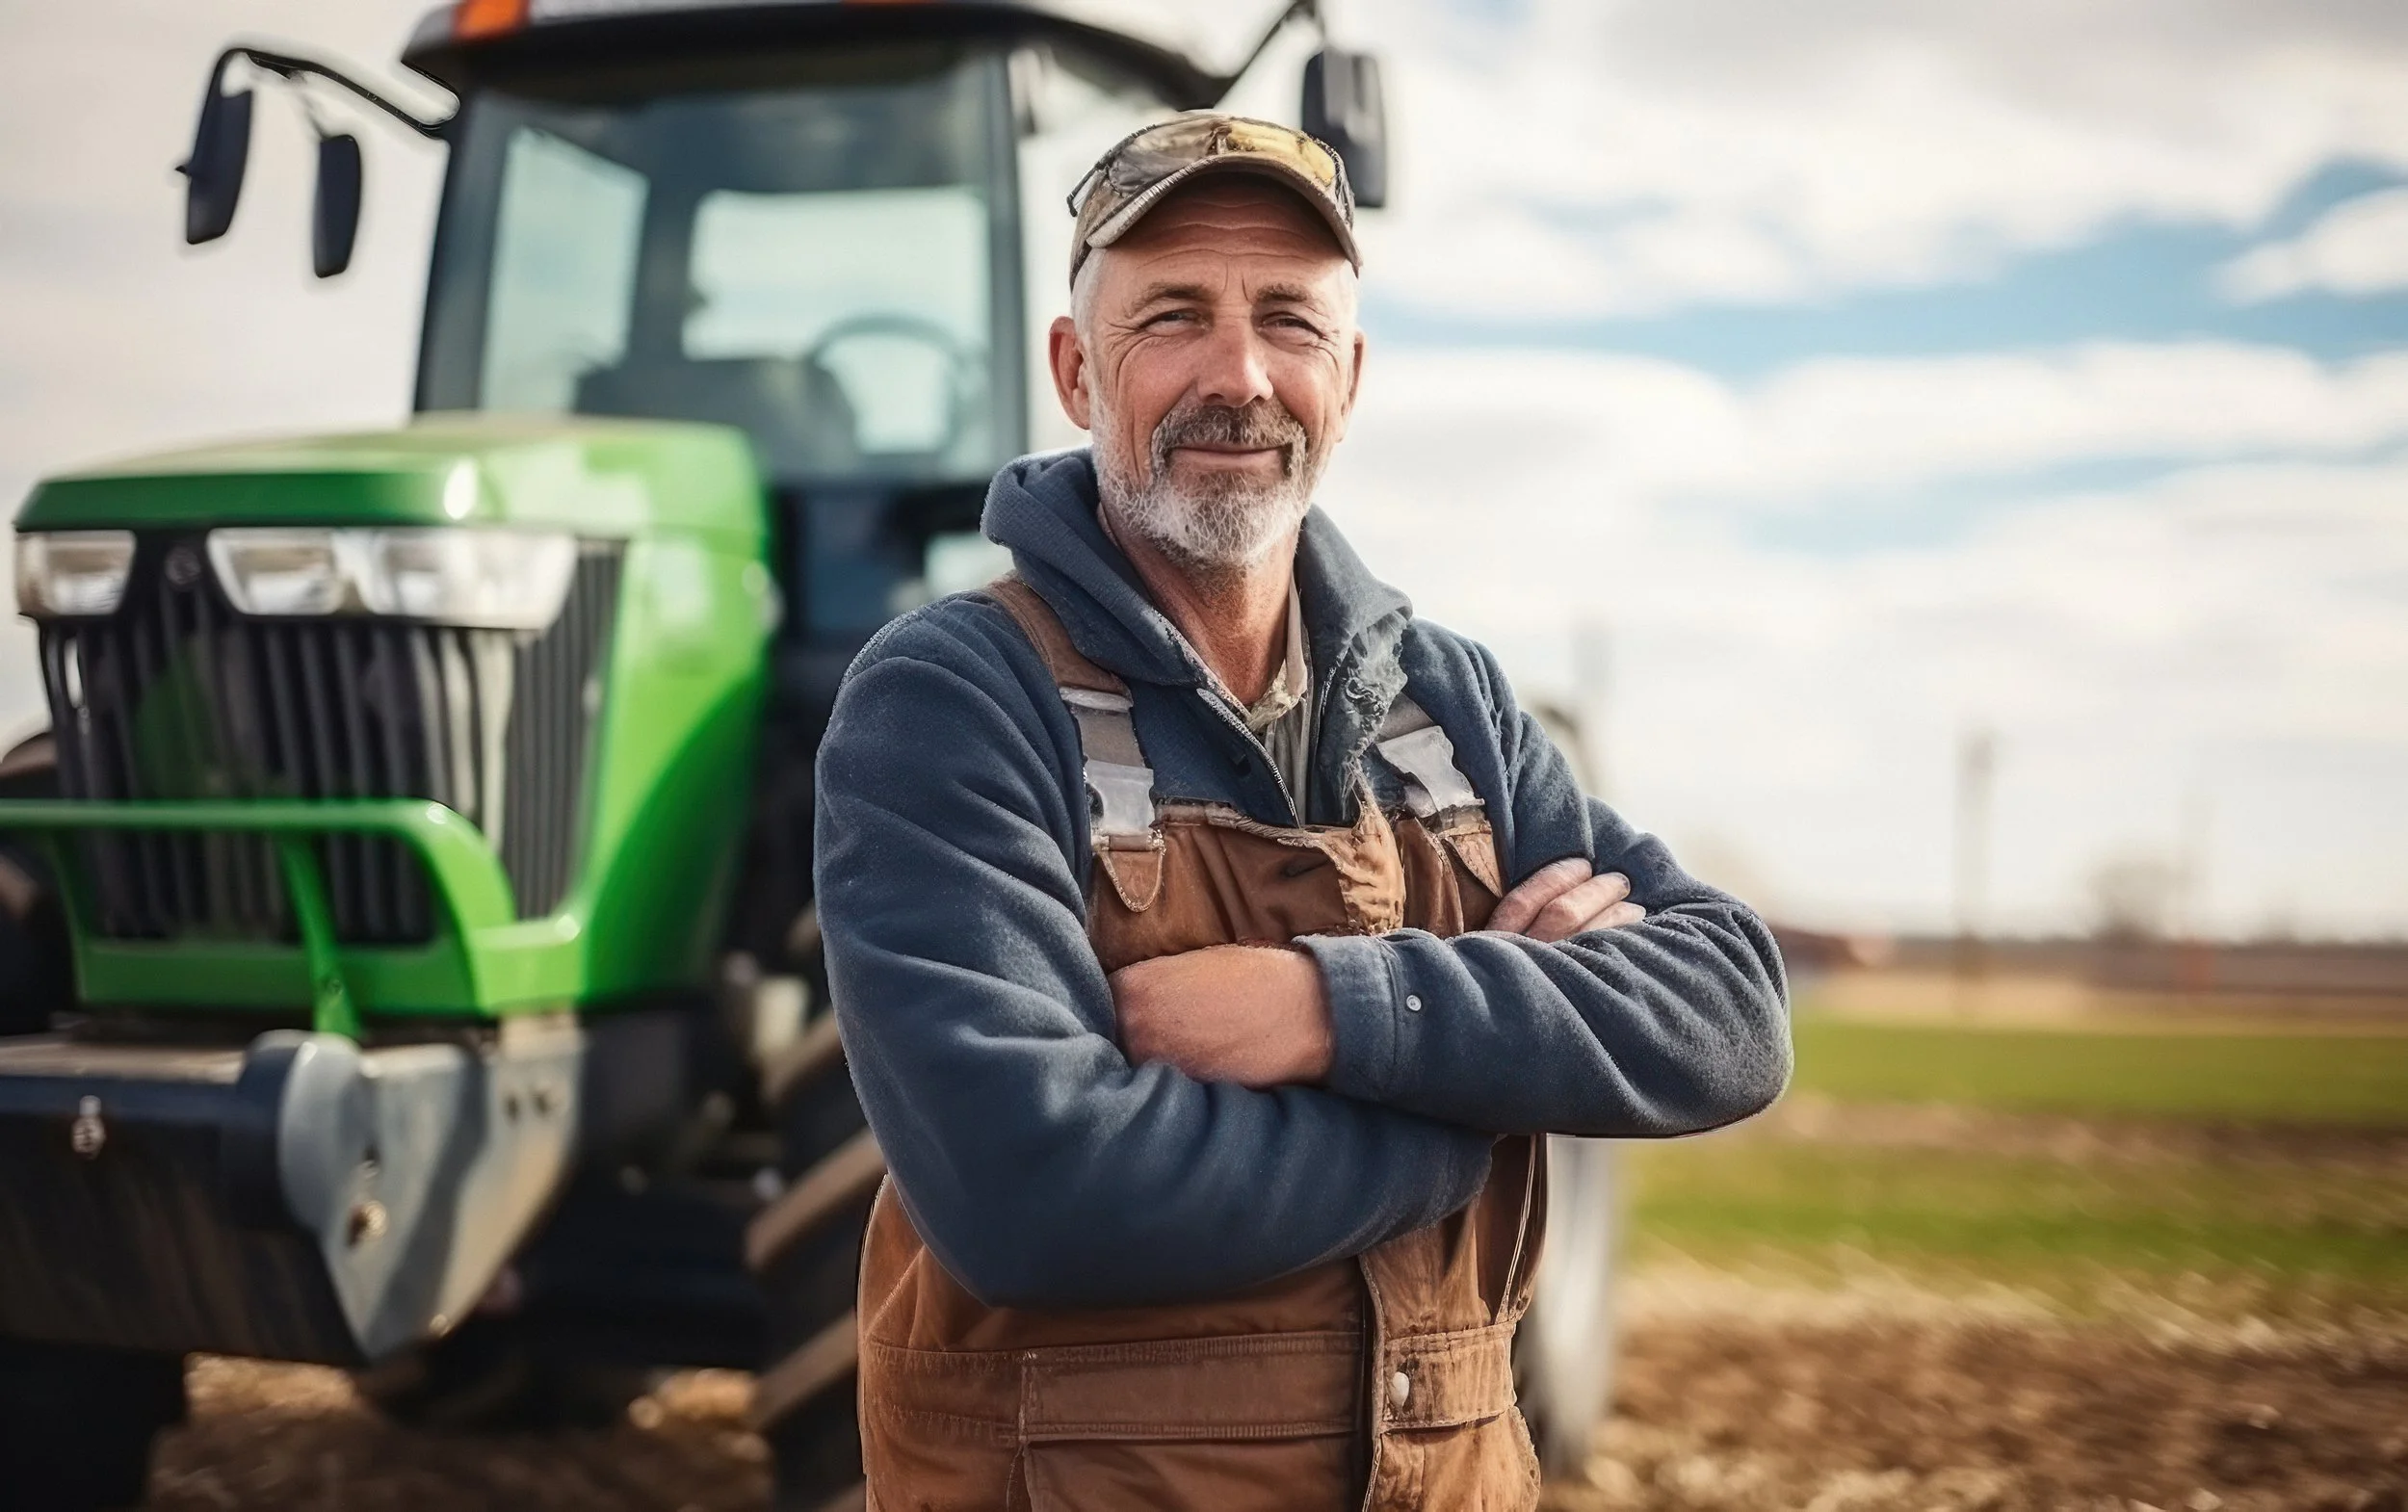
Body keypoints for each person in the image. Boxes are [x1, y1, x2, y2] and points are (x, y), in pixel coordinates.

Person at [814, 113, 1792, 1512]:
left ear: (1351, 375)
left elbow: (1731, 1009)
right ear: (1075, 366)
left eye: (1290, 320)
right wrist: (1491, 1107)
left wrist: (1332, 1011)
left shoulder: (1442, 702)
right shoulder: (957, 697)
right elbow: (1034, 1190)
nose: (1242, 376)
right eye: (1174, 317)